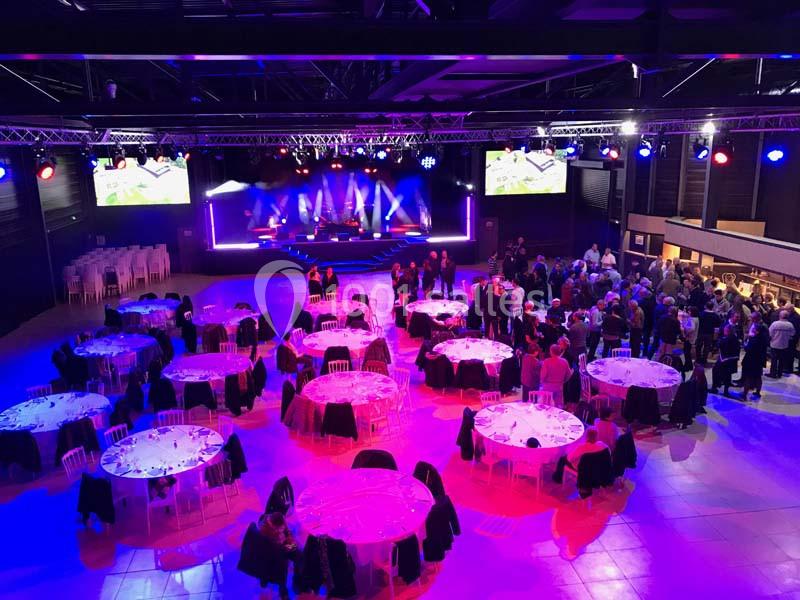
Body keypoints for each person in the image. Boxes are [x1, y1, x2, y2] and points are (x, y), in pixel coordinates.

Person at [256, 511, 303, 599]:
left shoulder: (280, 518)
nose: (282, 528)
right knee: (283, 564)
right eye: (279, 528)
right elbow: (267, 550)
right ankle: (283, 589)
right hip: (273, 553)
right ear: (273, 525)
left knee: (300, 555)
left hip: (284, 546)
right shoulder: (264, 529)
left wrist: (290, 541)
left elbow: (287, 532)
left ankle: (297, 580)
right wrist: (277, 535)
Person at [741, 312, 769, 400]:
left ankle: (744, 395)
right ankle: (757, 392)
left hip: (752, 358)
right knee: (758, 375)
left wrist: (745, 345)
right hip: (760, 357)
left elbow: (748, 348)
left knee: (748, 376)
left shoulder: (757, 336)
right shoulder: (763, 331)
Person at [711, 324, 740, 397]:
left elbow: (719, 345)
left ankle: (714, 387)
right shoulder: (735, 338)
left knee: (716, 371)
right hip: (732, 360)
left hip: (724, 360)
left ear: (728, 331)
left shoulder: (725, 339)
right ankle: (725, 391)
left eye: (725, 330)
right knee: (728, 375)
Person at [767, 310, 796, 378]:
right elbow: (793, 334)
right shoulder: (790, 325)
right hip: (784, 345)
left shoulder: (775, 324)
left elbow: (770, 333)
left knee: (774, 360)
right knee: (781, 360)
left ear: (780, 316)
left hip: (774, 344)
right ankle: (779, 373)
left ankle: (773, 373)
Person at [697, 301, 722, 365]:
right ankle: (704, 360)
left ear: (705, 306)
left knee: (699, 346)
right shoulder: (715, 316)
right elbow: (718, 326)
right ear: (713, 307)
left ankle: (698, 359)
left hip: (701, 332)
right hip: (710, 333)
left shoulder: (701, 314)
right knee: (707, 347)